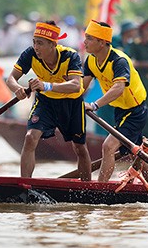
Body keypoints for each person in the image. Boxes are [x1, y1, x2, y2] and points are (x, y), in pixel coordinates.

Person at [6, 20, 92, 181]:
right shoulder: (29, 54)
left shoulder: (70, 56)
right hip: (45, 102)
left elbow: (76, 85)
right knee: (30, 138)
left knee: (79, 147)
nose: (36, 47)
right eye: (34, 42)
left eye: (40, 43)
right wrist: (16, 88)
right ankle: (25, 185)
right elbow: (11, 78)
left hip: (71, 104)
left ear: (53, 44)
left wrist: (46, 85)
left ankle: (88, 188)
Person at [82, 20, 148, 184]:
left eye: (89, 38)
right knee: (139, 156)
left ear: (102, 42)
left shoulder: (119, 61)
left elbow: (118, 88)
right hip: (120, 110)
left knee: (108, 147)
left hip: (135, 111)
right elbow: (81, 87)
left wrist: (94, 105)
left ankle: (100, 191)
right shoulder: (91, 61)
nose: (85, 42)